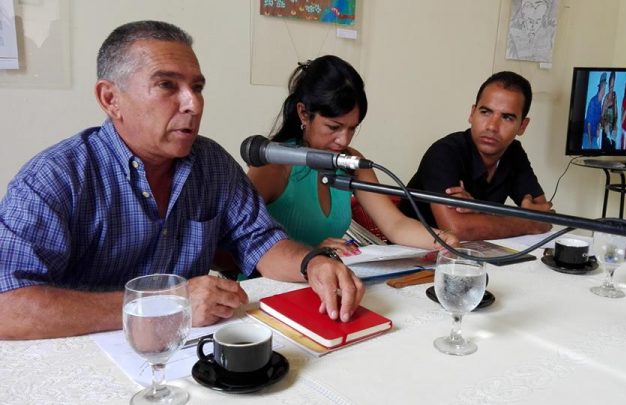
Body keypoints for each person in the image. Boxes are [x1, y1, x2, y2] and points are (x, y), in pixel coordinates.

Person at [0, 21, 364, 340]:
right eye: (166, 86)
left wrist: (312, 263)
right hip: (81, 365)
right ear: (110, 98)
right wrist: (165, 306)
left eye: (198, 87)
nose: (193, 104)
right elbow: (7, 305)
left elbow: (263, 241)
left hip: (183, 358)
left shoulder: (212, 165)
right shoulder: (56, 179)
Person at [247, 55, 457, 255]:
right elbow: (238, 240)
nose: (344, 140)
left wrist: (440, 238)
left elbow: (395, 224)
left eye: (352, 129)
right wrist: (309, 255)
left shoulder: (350, 162)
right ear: (303, 113)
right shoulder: (273, 164)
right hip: (272, 284)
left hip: (325, 281)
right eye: (333, 127)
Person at [398, 71, 553, 241]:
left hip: (469, 255)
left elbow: (544, 215)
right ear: (472, 114)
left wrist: (480, 211)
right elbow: (456, 229)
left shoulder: (513, 152)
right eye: (485, 112)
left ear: (522, 126)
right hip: (413, 254)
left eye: (507, 117)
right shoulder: (444, 152)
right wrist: (526, 222)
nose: (492, 126)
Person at [584, 72, 606, 149]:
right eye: (603, 89)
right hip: (587, 134)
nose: (604, 92)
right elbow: (589, 124)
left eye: (604, 89)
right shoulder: (593, 101)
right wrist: (590, 142)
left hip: (593, 135)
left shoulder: (600, 103)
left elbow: (599, 119)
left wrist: (599, 128)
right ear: (599, 89)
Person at [600, 71, 618, 151]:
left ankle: (612, 141)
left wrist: (615, 124)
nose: (611, 87)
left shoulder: (615, 97)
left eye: (613, 85)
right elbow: (602, 115)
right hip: (606, 125)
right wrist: (604, 123)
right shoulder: (606, 98)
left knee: (615, 130)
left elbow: (616, 115)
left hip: (612, 125)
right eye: (610, 85)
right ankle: (609, 139)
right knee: (607, 143)